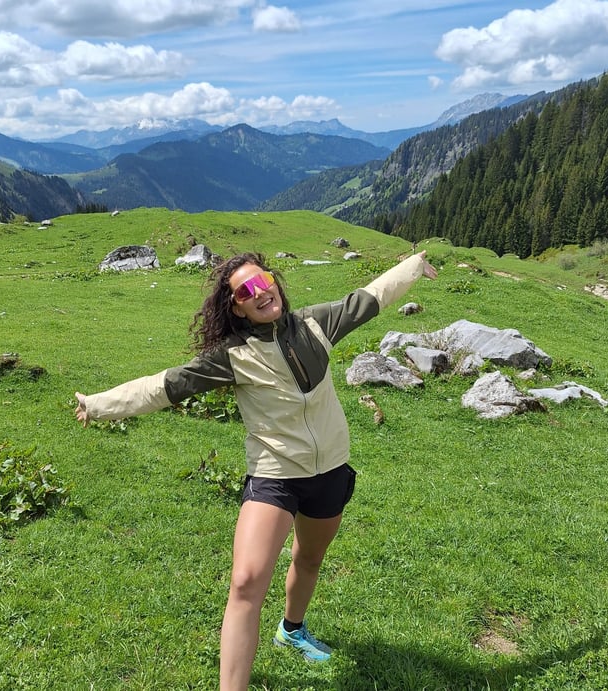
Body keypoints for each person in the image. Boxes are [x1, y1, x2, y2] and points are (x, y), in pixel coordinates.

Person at [74, 249, 437, 690]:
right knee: (246, 582)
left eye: (264, 279)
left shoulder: (316, 324)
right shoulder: (232, 355)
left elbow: (372, 296)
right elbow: (165, 386)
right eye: (247, 289)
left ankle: (292, 630)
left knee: (309, 558)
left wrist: (413, 265)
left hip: (330, 472)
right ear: (237, 307)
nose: (262, 291)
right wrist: (97, 405)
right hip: (275, 475)